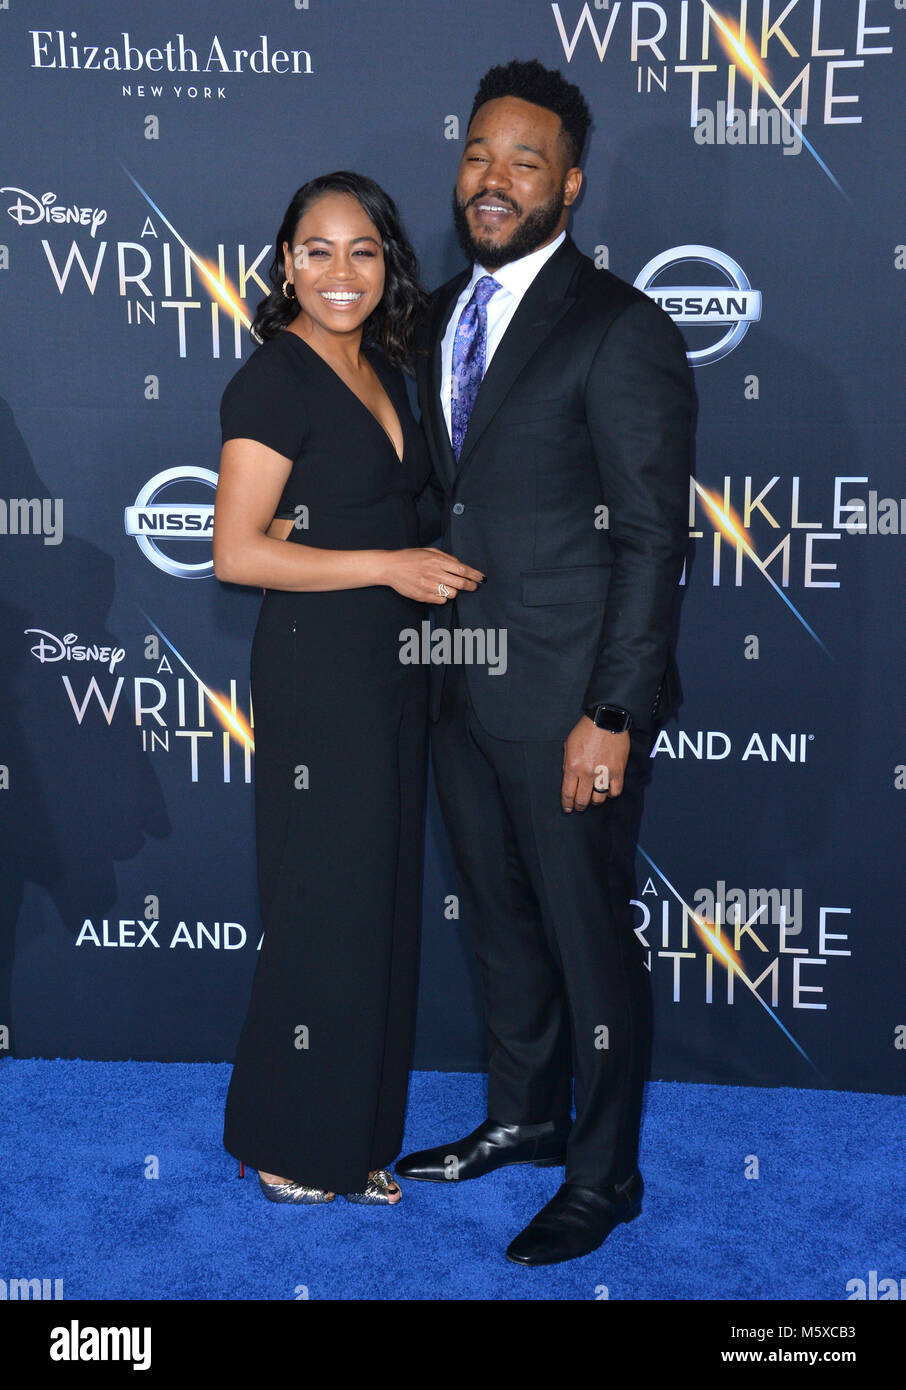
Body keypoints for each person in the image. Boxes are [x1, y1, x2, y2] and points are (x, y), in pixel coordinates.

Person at [395, 61, 695, 1263]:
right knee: (504, 925)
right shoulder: (436, 318)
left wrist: (612, 710)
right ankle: (522, 1116)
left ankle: (604, 1173)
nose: (494, 178)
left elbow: (654, 535)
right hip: (457, 676)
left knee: (585, 936)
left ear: (569, 185)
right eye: (479, 154)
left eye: (525, 161)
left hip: (573, 694)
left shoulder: (622, 328)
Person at [213, 172, 482, 1205]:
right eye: (317, 250)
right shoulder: (273, 380)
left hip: (394, 671)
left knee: (378, 905)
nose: (339, 272)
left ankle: (358, 1134)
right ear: (286, 262)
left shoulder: (392, 364)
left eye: (362, 250)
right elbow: (236, 552)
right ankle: (284, 1136)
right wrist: (382, 562)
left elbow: (368, 505)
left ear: (387, 263)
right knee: (321, 903)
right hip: (319, 673)